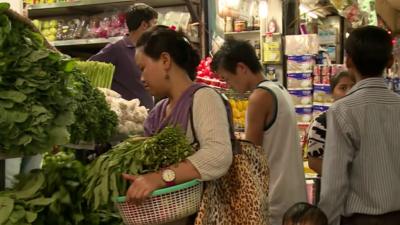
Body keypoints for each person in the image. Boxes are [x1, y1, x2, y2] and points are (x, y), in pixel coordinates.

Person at [122, 26, 233, 224]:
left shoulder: (203, 98)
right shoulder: (158, 111)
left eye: (143, 68)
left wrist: (159, 178)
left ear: (165, 61)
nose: (141, 78)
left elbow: (218, 155)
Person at [211, 38, 307, 225]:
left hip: (275, 199)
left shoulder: (259, 97)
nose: (229, 85)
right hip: (293, 194)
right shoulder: (279, 89)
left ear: (241, 68)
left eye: (227, 78)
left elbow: (251, 157)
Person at [318, 26, 400, 225]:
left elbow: (334, 184)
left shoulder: (341, 110)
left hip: (360, 220)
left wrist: (325, 219)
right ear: (390, 61)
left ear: (348, 62)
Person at [89, 3, 157, 109]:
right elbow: (88, 68)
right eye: (154, 23)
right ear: (144, 25)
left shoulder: (147, 50)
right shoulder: (116, 48)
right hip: (126, 118)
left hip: (147, 116)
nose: (156, 29)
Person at [306, 71, 355, 174]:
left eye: (353, 86)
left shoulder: (362, 119)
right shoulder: (321, 122)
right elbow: (314, 162)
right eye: (342, 88)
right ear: (332, 93)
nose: (349, 92)